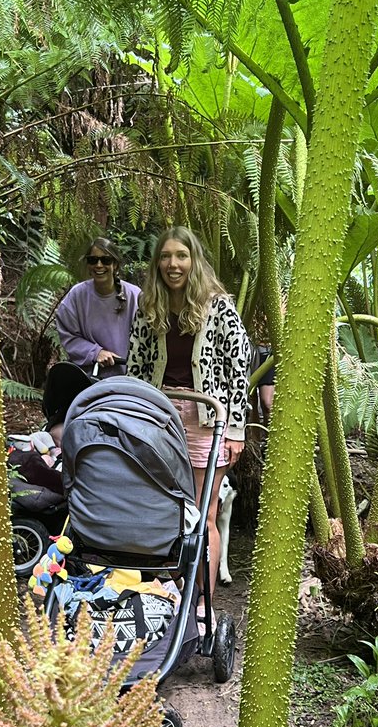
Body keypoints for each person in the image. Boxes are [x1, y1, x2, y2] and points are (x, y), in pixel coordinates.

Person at [127, 226, 251, 602]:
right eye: (165, 256)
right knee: (161, 509)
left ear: (193, 261)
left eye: (181, 256)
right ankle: (163, 597)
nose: (172, 264)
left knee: (203, 515)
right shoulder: (149, 307)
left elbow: (239, 364)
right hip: (159, 418)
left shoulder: (217, 307)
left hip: (206, 421)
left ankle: (201, 606)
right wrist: (132, 414)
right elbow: (135, 366)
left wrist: (235, 430)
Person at [55, 237, 141, 377]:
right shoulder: (77, 295)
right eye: (93, 260)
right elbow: (68, 334)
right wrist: (95, 352)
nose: (99, 265)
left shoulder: (134, 296)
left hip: (128, 377)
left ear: (115, 265)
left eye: (106, 260)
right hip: (88, 377)